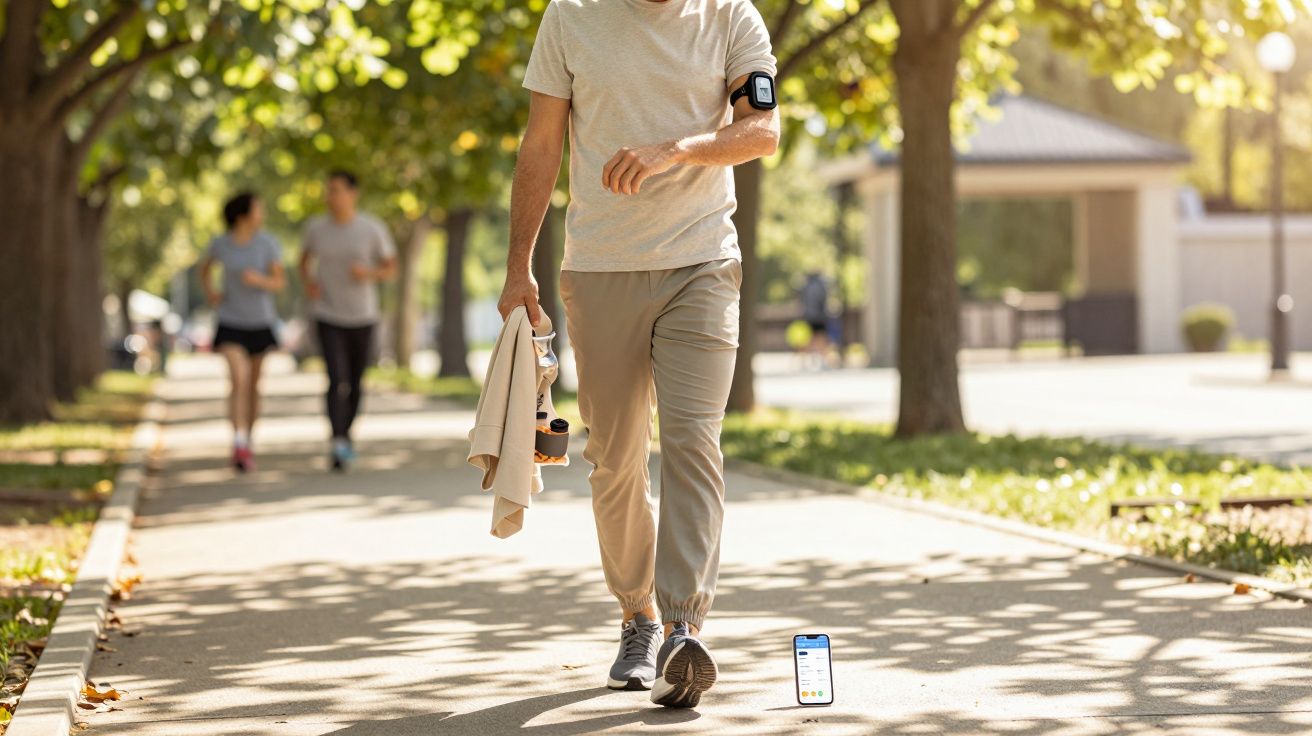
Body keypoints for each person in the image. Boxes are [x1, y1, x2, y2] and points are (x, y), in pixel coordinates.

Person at [500, 0, 778, 709]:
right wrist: (518, 267)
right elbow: (542, 143)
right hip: (601, 266)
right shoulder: (571, 16)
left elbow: (761, 130)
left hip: (702, 262)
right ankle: (638, 616)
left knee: (693, 439)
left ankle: (683, 628)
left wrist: (674, 150)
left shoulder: (732, 17)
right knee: (615, 456)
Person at [298, 171, 397, 471]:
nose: (331, 196)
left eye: (337, 190)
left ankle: (347, 434)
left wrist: (369, 274)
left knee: (355, 381)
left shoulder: (371, 228)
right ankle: (338, 440)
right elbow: (303, 261)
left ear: (353, 193)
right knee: (335, 377)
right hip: (327, 314)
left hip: (363, 316)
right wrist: (310, 282)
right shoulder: (316, 228)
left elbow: (390, 267)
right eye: (328, 191)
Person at [199, 192, 285, 473]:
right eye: (258, 209)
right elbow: (204, 270)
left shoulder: (267, 243)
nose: (262, 214)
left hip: (260, 321)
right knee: (239, 378)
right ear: (242, 215)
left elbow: (279, 282)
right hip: (230, 320)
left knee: (254, 385)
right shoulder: (221, 244)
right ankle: (237, 441)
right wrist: (212, 293)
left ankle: (249, 440)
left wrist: (259, 280)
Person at [800, 271, 832, 369]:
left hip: (809, 316)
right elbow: (823, 300)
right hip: (820, 316)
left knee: (809, 339)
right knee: (821, 339)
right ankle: (823, 361)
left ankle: (805, 362)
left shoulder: (806, 286)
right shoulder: (821, 286)